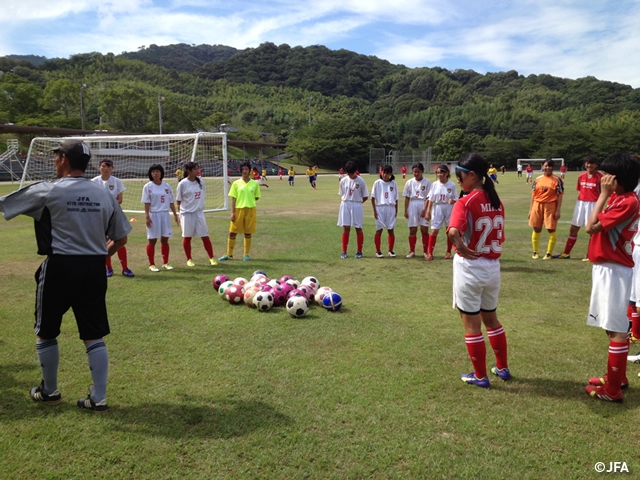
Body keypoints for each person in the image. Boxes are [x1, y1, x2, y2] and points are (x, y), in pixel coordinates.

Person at [0, 139, 131, 411]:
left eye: (55, 156)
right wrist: (99, 255)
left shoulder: (48, 191)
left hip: (59, 267)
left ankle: (49, 391)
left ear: (63, 159)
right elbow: (120, 239)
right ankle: (99, 398)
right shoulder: (104, 194)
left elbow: (5, 204)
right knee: (93, 334)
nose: (53, 161)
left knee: (46, 331)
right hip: (94, 269)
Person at [447, 153, 508, 388]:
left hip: (471, 267)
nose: (458, 181)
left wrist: (461, 247)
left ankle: (480, 375)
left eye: (459, 176)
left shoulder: (466, 201)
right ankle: (502, 368)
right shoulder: (496, 201)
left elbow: (453, 232)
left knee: (471, 324)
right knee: (491, 319)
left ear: (472, 175)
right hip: (492, 267)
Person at [584, 153, 640, 402]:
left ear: (618, 179)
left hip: (614, 268)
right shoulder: (622, 198)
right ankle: (618, 377)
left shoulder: (626, 201)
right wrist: (608, 195)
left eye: (608, 176)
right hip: (608, 266)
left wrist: (604, 195)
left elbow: (590, 227)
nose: (603, 179)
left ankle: (613, 390)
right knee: (610, 325)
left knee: (616, 329)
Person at [92, 159, 134, 278]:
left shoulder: (116, 181)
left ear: (112, 168)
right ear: (99, 167)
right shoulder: (94, 181)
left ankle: (125, 268)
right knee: (105, 241)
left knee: (120, 240)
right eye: (103, 166)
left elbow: (120, 200)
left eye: (108, 166)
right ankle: (108, 268)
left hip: (115, 214)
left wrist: (106, 203)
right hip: (100, 215)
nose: (106, 168)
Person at [559, 155, 602, 260]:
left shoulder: (601, 178)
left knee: (591, 230)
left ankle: (589, 254)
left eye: (592, 163)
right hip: (580, 203)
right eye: (587, 163)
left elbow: (603, 193)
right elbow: (580, 190)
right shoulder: (581, 176)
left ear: (596, 165)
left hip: (593, 204)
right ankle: (566, 253)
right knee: (573, 228)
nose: (589, 165)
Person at [176, 162, 217, 267]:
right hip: (187, 213)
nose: (197, 171)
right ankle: (189, 259)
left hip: (199, 213)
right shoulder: (182, 184)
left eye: (198, 168)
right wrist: (179, 214)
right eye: (195, 169)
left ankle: (211, 257)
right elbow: (178, 200)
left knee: (205, 236)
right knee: (187, 237)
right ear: (189, 171)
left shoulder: (201, 182)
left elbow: (202, 196)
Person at [219, 161, 261, 262]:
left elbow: (256, 197)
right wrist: (233, 213)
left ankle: (246, 254)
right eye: (243, 169)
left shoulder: (254, 184)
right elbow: (233, 199)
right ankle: (229, 254)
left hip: (250, 210)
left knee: (248, 232)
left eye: (247, 169)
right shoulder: (236, 183)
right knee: (232, 232)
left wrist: (248, 201)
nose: (245, 171)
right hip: (238, 210)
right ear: (241, 170)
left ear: (250, 171)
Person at [141, 164, 180, 272]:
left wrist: (175, 215)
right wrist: (147, 217)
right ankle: (152, 264)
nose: (155, 174)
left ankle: (165, 262)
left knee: (165, 239)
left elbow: (171, 201)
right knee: (152, 240)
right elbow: (146, 203)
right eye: (153, 172)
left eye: (157, 171)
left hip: (165, 215)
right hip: (154, 214)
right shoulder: (148, 187)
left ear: (161, 173)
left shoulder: (167, 186)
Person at [529, 159, 564, 260]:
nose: (547, 168)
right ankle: (535, 252)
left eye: (550, 166)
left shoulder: (557, 180)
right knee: (536, 228)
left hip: (550, 206)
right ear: (542, 167)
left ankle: (549, 253)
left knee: (551, 228)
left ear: (552, 167)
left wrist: (558, 210)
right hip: (537, 205)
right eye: (546, 166)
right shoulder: (538, 179)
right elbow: (533, 195)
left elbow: (560, 195)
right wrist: (531, 210)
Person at [425, 164, 458, 261]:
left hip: (449, 208)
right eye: (438, 173)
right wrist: (428, 212)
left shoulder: (452, 185)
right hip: (437, 207)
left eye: (441, 172)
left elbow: (456, 198)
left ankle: (448, 252)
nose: (439, 175)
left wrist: (453, 200)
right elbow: (430, 199)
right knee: (434, 230)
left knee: (449, 231)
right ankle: (430, 253)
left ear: (447, 173)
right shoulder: (434, 185)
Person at [338, 160, 369, 258]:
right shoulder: (343, 181)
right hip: (345, 204)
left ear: (356, 171)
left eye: (352, 173)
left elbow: (365, 196)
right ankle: (344, 251)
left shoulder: (361, 181)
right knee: (346, 227)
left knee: (358, 228)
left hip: (356, 205)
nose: (350, 175)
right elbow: (342, 193)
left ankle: (359, 251)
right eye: (349, 173)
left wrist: (357, 203)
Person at [402, 162, 432, 259]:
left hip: (423, 203)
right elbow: (406, 197)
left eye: (418, 172)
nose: (416, 174)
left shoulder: (427, 182)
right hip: (413, 204)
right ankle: (412, 251)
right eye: (414, 172)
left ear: (422, 171)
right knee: (413, 229)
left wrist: (425, 209)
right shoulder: (409, 182)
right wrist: (406, 210)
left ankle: (425, 251)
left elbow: (429, 198)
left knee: (424, 229)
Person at [371, 165, 398, 258]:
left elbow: (396, 198)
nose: (385, 175)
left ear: (390, 174)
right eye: (383, 172)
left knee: (391, 230)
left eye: (387, 173)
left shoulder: (393, 184)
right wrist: (374, 210)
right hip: (380, 207)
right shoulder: (377, 183)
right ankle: (378, 251)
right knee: (379, 229)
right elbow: (373, 198)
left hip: (390, 208)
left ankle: (391, 250)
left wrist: (396, 210)